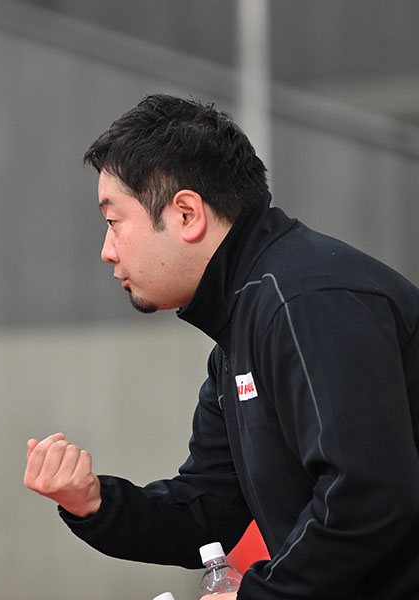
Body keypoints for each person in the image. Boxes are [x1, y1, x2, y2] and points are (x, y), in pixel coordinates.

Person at [24, 94, 419, 599]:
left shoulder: (304, 300)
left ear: (187, 213)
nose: (107, 251)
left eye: (113, 221)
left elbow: (366, 497)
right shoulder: (246, 321)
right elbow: (208, 511)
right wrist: (94, 502)